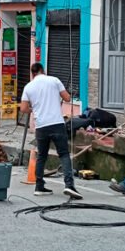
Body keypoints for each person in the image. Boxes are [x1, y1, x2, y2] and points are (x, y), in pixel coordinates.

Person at [20, 62, 83, 200]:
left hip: (41, 126)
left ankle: (39, 186)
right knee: (64, 154)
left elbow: (23, 109)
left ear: (32, 73)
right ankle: (69, 185)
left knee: (42, 156)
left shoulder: (28, 87)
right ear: (43, 70)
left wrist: (35, 110)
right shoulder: (54, 80)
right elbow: (67, 98)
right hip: (56, 123)